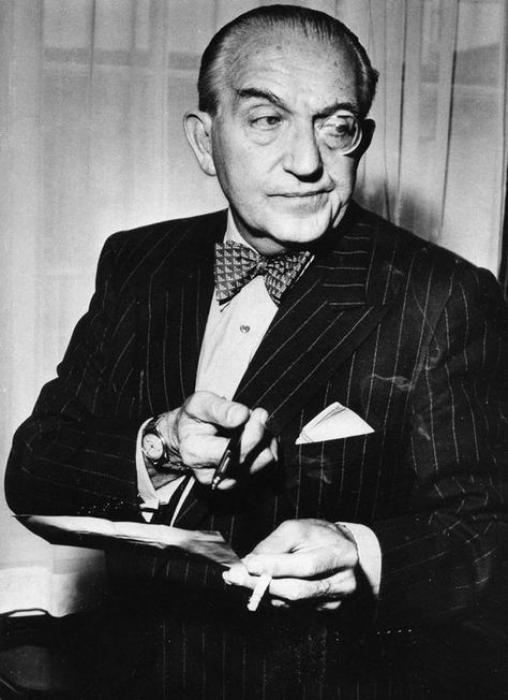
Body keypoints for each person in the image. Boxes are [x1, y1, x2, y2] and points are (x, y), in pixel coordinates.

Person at [5, 4, 508, 698]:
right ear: (204, 142)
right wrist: (159, 446)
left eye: (336, 126)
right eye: (267, 119)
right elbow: (35, 474)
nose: (307, 162)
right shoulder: (139, 261)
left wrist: (362, 556)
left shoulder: (440, 295)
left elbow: (484, 531)